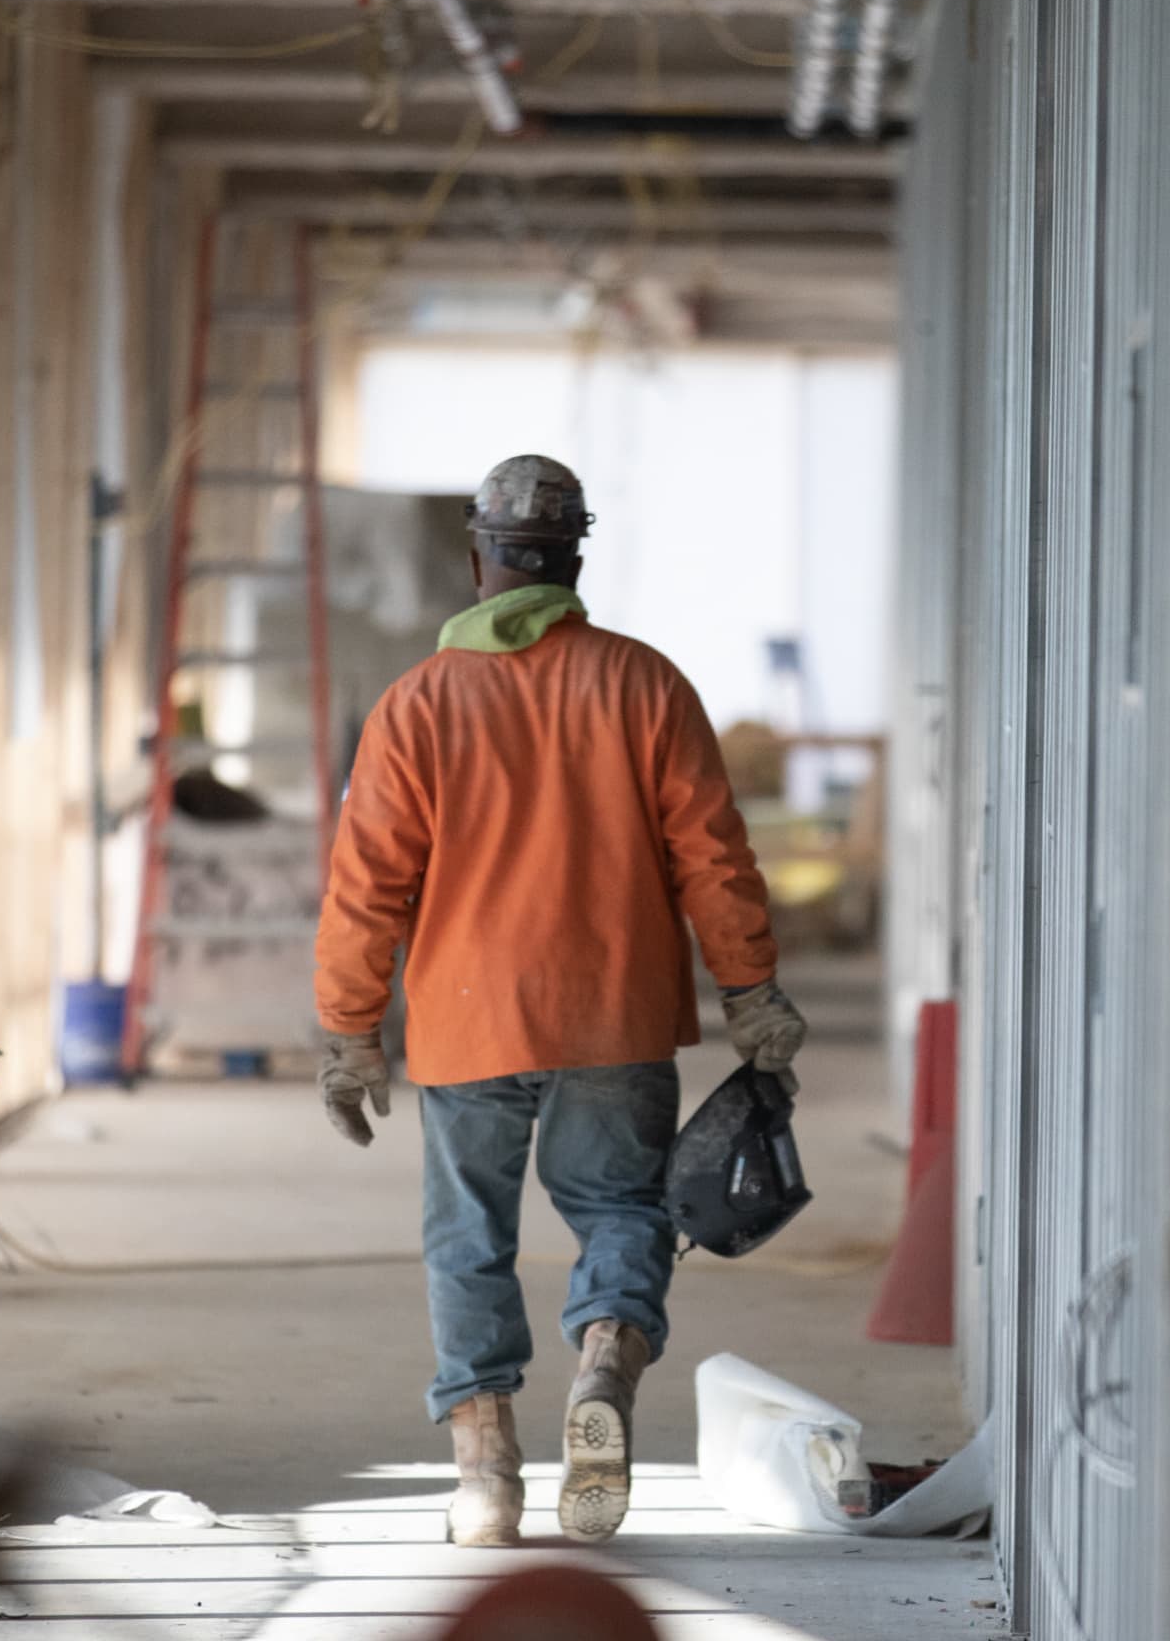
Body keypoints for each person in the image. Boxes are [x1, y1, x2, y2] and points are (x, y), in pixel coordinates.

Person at [313, 455, 808, 1548]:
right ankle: (606, 1358)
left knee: (467, 1238)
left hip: (466, 1015)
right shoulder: (645, 685)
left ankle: (485, 1475)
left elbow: (367, 882)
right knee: (623, 1209)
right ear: (575, 554)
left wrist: (351, 1030)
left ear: (477, 554)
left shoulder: (417, 705)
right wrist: (750, 987)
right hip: (613, 1011)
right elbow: (712, 859)